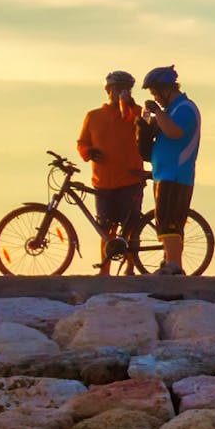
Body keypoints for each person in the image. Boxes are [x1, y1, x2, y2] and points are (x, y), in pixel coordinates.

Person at [77, 70, 146, 275]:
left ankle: (131, 268)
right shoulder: (93, 116)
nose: (122, 92)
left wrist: (130, 105)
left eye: (127, 88)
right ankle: (105, 269)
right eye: (118, 88)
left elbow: (137, 125)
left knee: (132, 226)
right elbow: (82, 143)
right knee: (106, 229)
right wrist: (88, 152)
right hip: (103, 181)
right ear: (108, 90)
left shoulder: (136, 112)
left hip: (131, 178)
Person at [141, 65, 201, 276]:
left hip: (176, 175)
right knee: (165, 221)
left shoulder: (185, 108)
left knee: (170, 222)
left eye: (156, 93)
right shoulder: (171, 110)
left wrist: (157, 113)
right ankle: (170, 261)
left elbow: (175, 132)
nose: (156, 97)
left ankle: (174, 265)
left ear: (167, 89)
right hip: (165, 174)